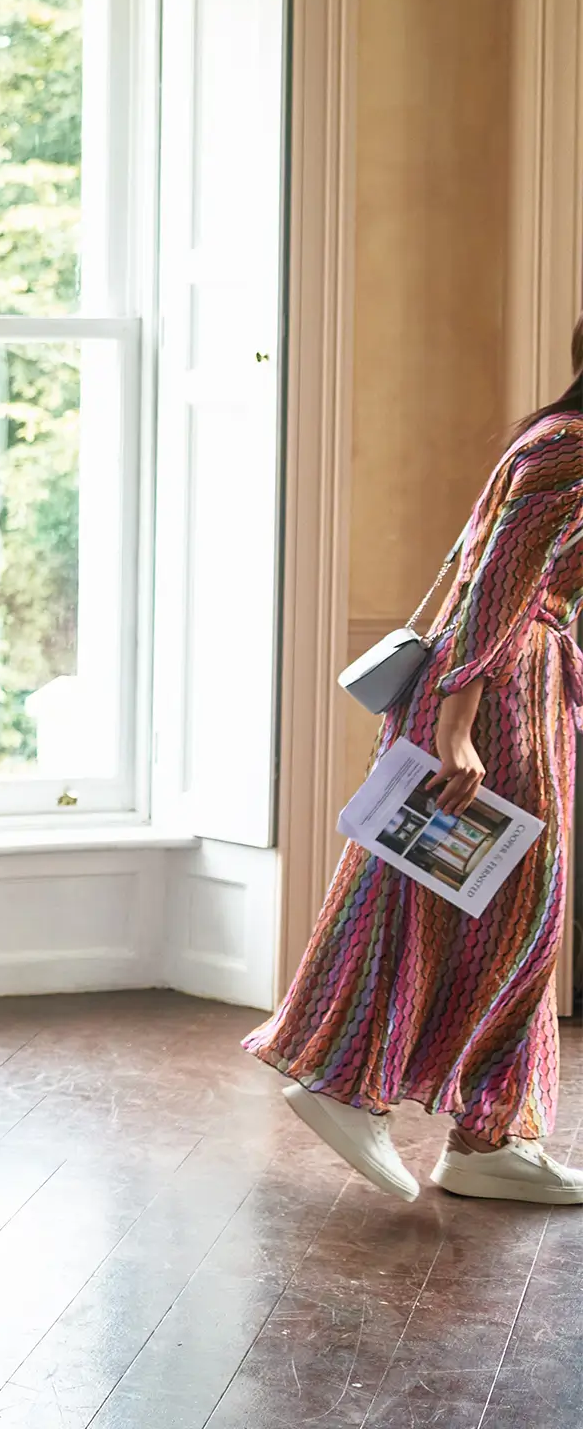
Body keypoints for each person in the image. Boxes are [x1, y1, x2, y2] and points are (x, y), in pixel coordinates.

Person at [248, 318, 583, 1206]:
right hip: (494, 695)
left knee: (467, 900)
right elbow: (492, 591)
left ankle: (485, 1135)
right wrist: (458, 725)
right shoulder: (566, 451)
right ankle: (347, 1085)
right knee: (500, 907)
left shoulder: (558, 445)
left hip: (523, 686)